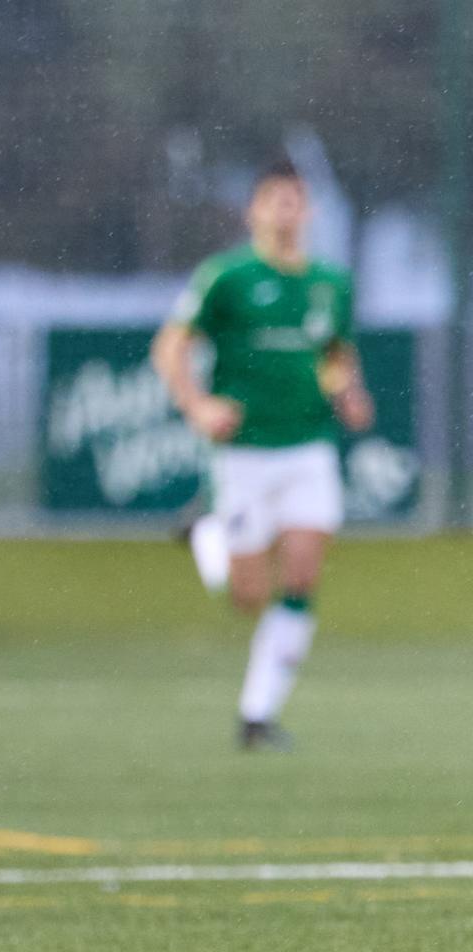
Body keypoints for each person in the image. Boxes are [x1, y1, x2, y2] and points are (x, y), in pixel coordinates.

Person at [152, 160, 373, 750]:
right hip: (244, 453)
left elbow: (334, 353)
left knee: (300, 578)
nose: (286, 210)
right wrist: (196, 405)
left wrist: (348, 392)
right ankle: (208, 532)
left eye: (296, 200)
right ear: (254, 209)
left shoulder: (331, 282)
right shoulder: (227, 277)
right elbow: (171, 345)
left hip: (308, 447)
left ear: (310, 211)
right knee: (248, 597)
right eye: (275, 199)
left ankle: (257, 716)